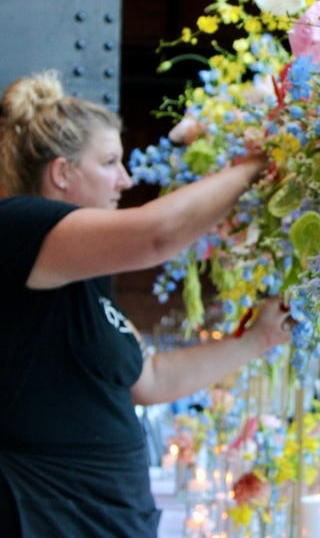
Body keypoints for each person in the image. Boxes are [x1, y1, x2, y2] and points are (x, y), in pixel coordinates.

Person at [0, 70, 293, 537]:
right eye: (110, 162)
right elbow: (156, 235)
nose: (126, 178)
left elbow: (150, 378)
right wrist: (260, 160)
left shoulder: (81, 277)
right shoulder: (14, 226)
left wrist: (259, 339)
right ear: (62, 173)